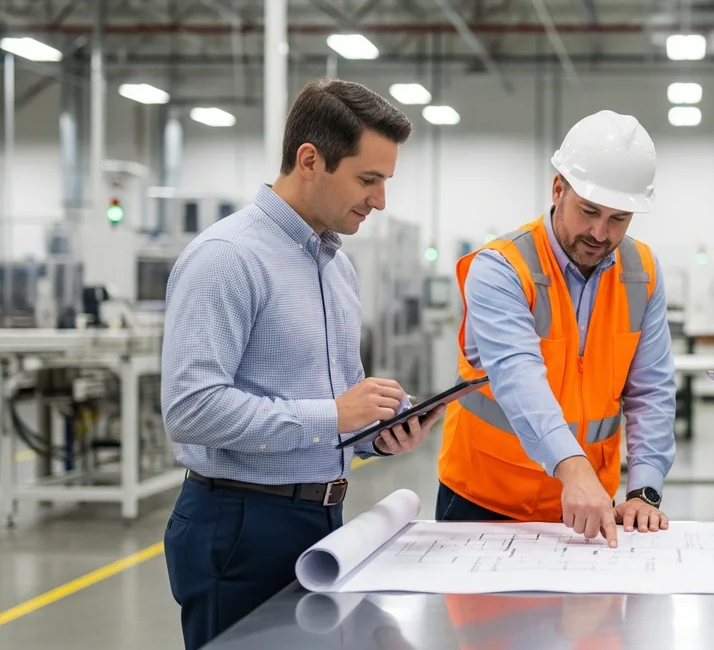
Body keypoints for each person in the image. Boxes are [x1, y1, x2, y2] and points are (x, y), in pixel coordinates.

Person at [159, 79, 446, 650]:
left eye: (385, 181)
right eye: (369, 179)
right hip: (238, 524)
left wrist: (375, 433)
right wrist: (334, 416)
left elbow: (337, 403)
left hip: (322, 521)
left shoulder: (336, 266)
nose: (380, 200)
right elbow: (190, 411)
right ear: (310, 160)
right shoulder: (227, 258)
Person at [435, 110, 676, 546]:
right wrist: (574, 468)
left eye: (618, 219)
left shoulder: (642, 271)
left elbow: (652, 391)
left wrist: (643, 489)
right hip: (485, 501)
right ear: (558, 188)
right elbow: (517, 375)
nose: (600, 233)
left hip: (586, 510)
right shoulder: (501, 267)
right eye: (589, 211)